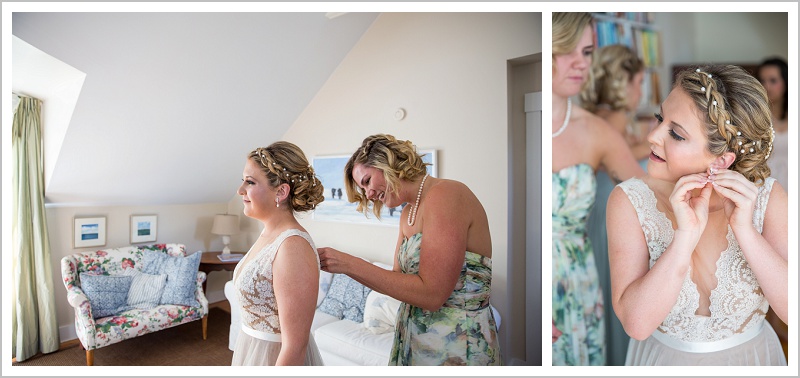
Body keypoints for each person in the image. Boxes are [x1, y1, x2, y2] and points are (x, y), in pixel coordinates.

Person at [607, 65, 788, 365]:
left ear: (722, 160)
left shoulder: (768, 198)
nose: (653, 136)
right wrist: (684, 239)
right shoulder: (629, 200)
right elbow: (636, 325)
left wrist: (745, 231)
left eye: (675, 134)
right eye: (659, 119)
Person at [318, 134, 501, 366]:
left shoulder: (446, 194)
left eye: (367, 181)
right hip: (413, 338)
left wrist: (349, 264)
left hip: (456, 345)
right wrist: (340, 265)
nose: (368, 194)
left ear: (387, 164)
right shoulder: (407, 213)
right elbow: (396, 281)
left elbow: (433, 295)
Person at [551, 12, 644, 366]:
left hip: (578, 283)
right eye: (565, 50)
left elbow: (650, 195)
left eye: (587, 52)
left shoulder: (596, 132)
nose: (580, 63)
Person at [579, 43, 651, 365]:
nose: (641, 91)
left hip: (596, 220)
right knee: (623, 297)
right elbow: (618, 162)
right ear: (626, 83)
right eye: (639, 83)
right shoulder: (611, 124)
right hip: (616, 223)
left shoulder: (595, 119)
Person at [231, 141, 326, 366]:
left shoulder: (293, 246)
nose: (240, 190)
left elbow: (295, 346)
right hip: (252, 350)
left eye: (250, 182)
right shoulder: (268, 233)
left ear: (281, 191)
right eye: (243, 180)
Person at [756, 57, 788, 190]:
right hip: (764, 183)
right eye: (762, 81)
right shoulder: (755, 116)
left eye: (773, 81)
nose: (766, 86)